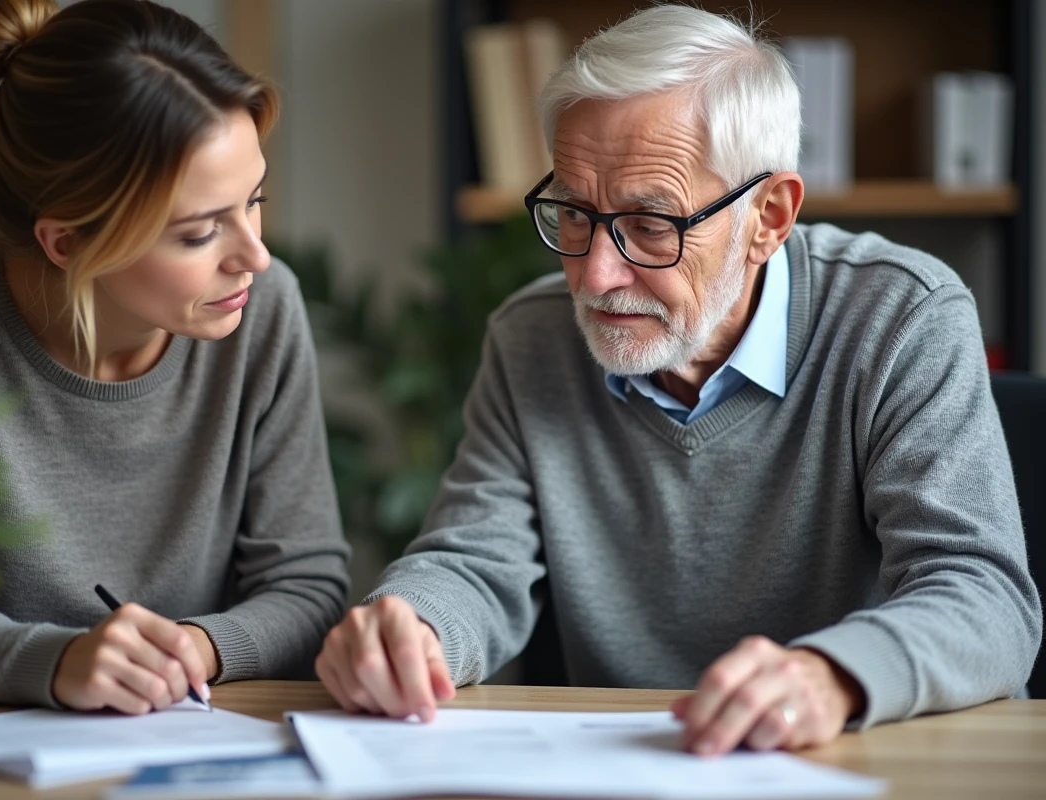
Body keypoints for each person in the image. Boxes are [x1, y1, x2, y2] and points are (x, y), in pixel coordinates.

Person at [315, 4, 1041, 755]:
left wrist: (831, 676)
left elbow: (984, 598)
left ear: (768, 215)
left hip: (878, 760)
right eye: (573, 212)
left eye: (652, 224)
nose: (596, 275)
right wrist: (411, 628)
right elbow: (473, 559)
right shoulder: (530, 338)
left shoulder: (901, 317)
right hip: (629, 765)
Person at [0, 0, 350, 714]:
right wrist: (60, 661)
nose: (255, 255)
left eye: (254, 201)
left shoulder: (264, 307)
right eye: (197, 234)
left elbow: (310, 586)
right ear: (65, 243)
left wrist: (199, 647)